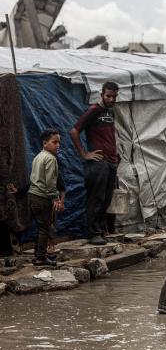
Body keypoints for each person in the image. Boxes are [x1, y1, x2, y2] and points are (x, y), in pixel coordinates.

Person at [70, 81, 119, 245]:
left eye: (114, 96)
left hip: (111, 162)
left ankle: (101, 230)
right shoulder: (94, 110)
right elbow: (74, 131)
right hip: (98, 163)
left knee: (106, 199)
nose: (111, 99)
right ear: (102, 95)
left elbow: (108, 136)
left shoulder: (110, 112)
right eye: (108, 96)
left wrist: (115, 154)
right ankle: (93, 233)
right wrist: (84, 154)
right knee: (96, 199)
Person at [26, 129, 64, 266]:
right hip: (42, 198)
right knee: (44, 229)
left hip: (32, 196)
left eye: (59, 142)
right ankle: (41, 258)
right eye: (54, 142)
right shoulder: (50, 158)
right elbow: (50, 182)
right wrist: (56, 198)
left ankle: (38, 255)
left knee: (41, 228)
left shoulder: (38, 156)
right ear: (45, 143)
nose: (58, 145)